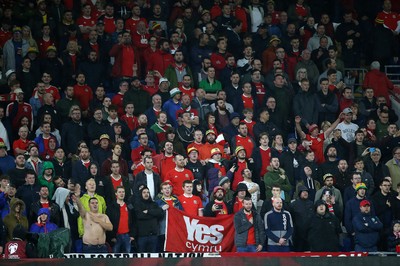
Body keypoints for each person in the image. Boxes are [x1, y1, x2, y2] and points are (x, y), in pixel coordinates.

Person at [133, 186, 163, 252]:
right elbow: (139, 215)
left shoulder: (154, 204)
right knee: (142, 259)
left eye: (147, 192)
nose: (146, 194)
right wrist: (153, 215)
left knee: (153, 258)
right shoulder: (137, 204)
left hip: (153, 236)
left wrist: (148, 211)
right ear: (141, 194)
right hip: (142, 236)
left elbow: (160, 213)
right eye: (144, 192)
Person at [155, 181, 183, 252]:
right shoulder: (157, 202)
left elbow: (182, 213)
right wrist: (161, 209)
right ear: (161, 191)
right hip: (163, 230)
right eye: (165, 188)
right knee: (163, 250)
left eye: (168, 188)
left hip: (175, 230)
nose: (167, 190)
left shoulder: (177, 201)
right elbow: (154, 215)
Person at [106, 186, 135, 253]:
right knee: (115, 259)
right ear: (116, 193)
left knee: (128, 259)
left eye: (123, 192)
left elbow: (134, 220)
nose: (122, 194)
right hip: (116, 236)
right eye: (119, 192)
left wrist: (132, 235)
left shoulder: (129, 205)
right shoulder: (111, 207)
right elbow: (108, 222)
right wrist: (111, 237)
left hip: (127, 236)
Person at [289, 186, 314, 251]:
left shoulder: (311, 204)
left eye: (306, 192)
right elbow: (291, 218)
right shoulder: (294, 204)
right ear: (299, 193)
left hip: (309, 233)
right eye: (303, 192)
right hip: (298, 233)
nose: (305, 193)